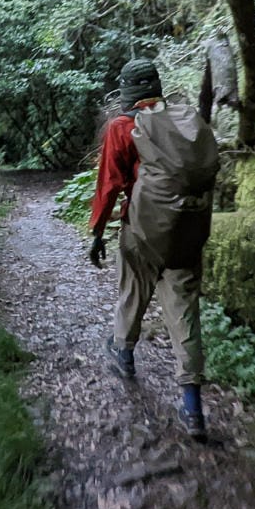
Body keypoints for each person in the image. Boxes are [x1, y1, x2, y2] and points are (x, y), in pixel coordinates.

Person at [88, 58, 219, 439]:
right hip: (188, 234)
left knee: (133, 290)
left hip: (143, 230)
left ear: (128, 91)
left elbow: (109, 184)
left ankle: (124, 354)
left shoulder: (123, 127)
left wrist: (98, 232)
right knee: (184, 312)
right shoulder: (186, 122)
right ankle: (193, 408)